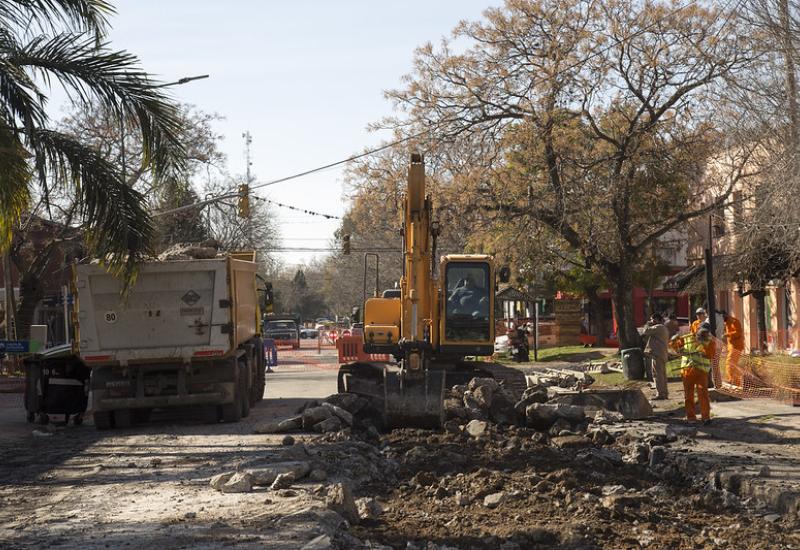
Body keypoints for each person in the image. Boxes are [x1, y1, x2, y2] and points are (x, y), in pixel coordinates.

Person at [671, 326, 714, 423]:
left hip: (701, 372)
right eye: (700, 336)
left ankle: (705, 417)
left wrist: (704, 346)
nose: (701, 339)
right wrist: (673, 341)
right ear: (696, 333)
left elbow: (710, 354)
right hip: (687, 371)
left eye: (704, 336)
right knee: (688, 395)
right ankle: (691, 417)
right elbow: (677, 348)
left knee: (703, 394)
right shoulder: (687, 338)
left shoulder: (710, 342)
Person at [642, 313, 670, 400]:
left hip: (657, 354)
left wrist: (647, 324)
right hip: (661, 354)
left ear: (656, 319)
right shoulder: (663, 327)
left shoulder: (658, 327)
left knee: (657, 375)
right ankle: (664, 393)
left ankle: (660, 394)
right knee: (662, 375)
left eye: (652, 319)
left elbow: (645, 331)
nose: (651, 321)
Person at [722, 310, 744, 386]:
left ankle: (732, 380)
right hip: (731, 347)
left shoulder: (734, 321)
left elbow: (738, 333)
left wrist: (727, 335)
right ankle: (736, 381)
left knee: (730, 363)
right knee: (732, 364)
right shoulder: (726, 323)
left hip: (736, 347)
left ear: (725, 315)